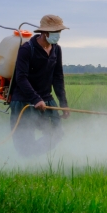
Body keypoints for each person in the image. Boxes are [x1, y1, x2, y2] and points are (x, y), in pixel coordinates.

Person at [9, 14, 70, 157]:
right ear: (44, 32)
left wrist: (63, 103)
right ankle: (28, 159)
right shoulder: (26, 49)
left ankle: (33, 157)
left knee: (57, 133)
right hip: (24, 99)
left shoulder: (56, 49)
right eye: (56, 32)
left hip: (46, 97)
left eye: (59, 32)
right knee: (24, 141)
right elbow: (21, 78)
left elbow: (58, 78)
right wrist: (36, 99)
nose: (58, 35)